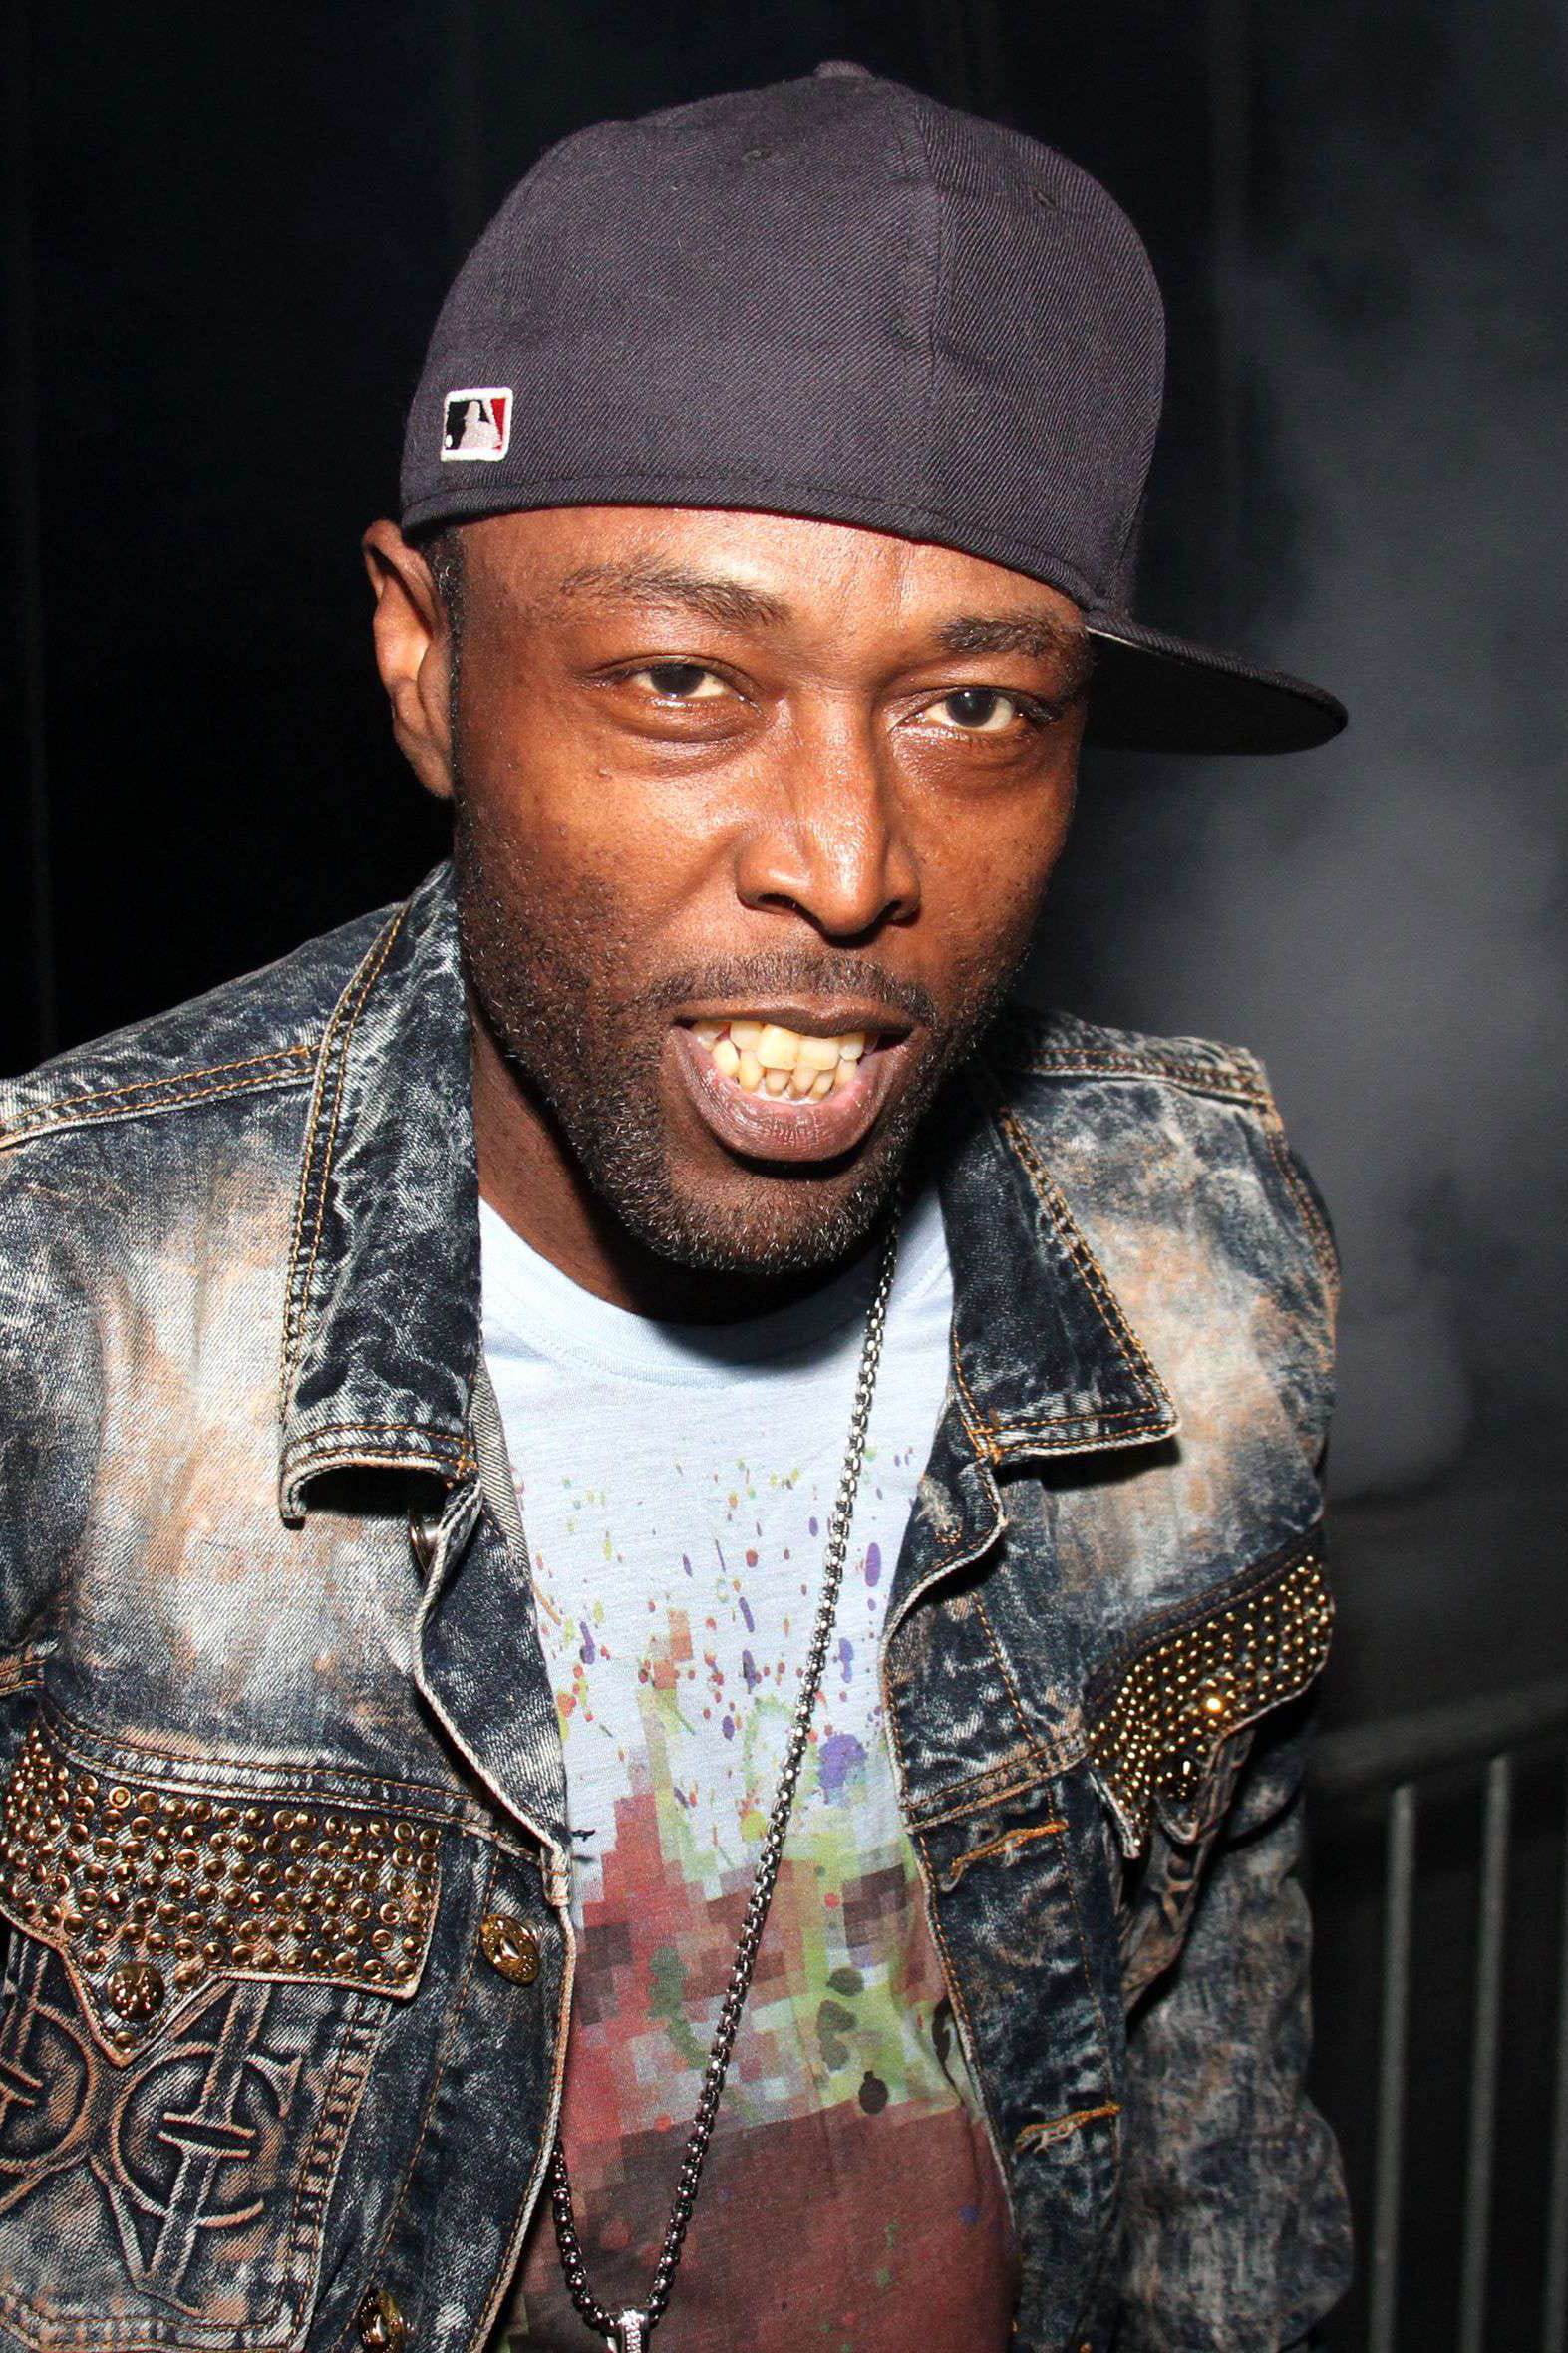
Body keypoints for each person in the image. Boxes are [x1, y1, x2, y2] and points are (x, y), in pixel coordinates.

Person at [0, 63, 1352, 2353]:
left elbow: (1215, 2143)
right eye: (682, 681)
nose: (845, 859)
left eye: (973, 708)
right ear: (427, 663)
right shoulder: (70, 1305)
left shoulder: (1194, 1263)